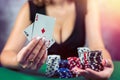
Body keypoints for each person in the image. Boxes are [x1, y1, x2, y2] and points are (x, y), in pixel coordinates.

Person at [1, 0, 113, 79]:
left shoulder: (87, 4)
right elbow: (6, 53)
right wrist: (19, 62)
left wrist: (105, 65)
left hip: (75, 76)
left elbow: (97, 47)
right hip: (42, 76)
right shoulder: (30, 7)